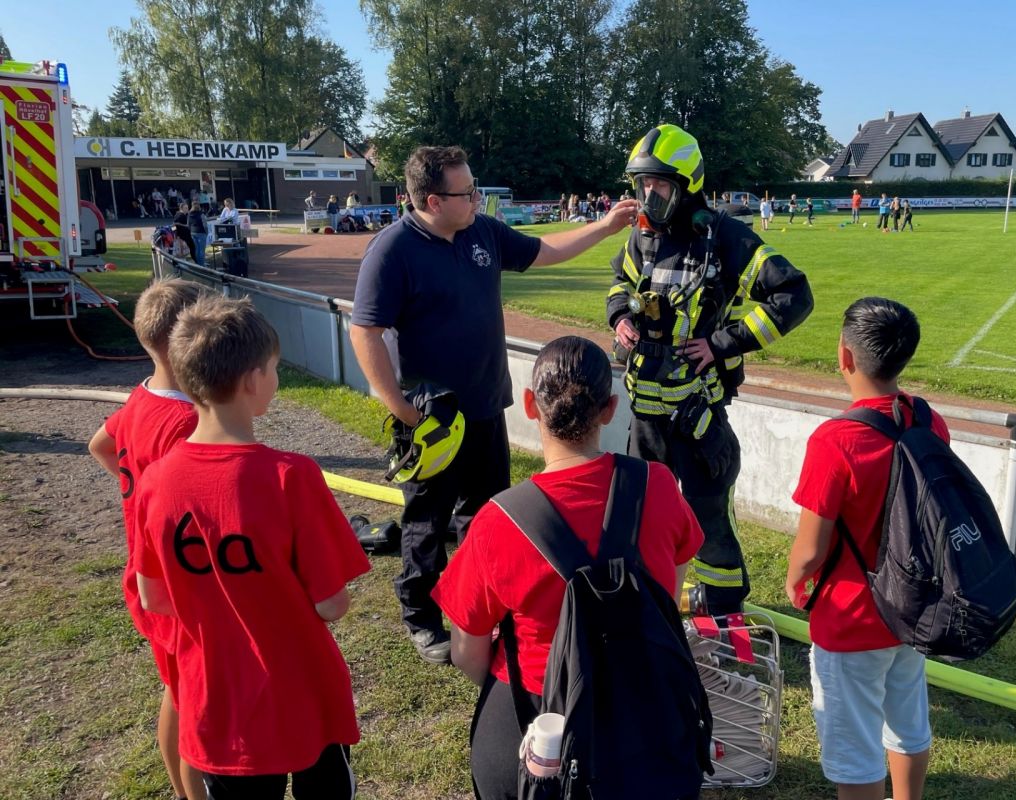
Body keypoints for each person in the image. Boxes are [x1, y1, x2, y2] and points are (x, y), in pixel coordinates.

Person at [349, 145, 638, 663]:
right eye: (468, 191)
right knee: (426, 522)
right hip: (432, 421)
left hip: (485, 407)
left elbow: (544, 250)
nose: (478, 198)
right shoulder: (392, 250)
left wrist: (605, 227)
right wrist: (400, 408)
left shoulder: (481, 232)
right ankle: (419, 614)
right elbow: (365, 329)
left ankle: (484, 607)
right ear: (433, 201)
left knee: (487, 517)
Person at [433, 335, 705, 800]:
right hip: (648, 714)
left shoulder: (498, 520)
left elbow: (466, 652)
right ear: (610, 408)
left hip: (539, 727)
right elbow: (664, 600)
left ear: (528, 405)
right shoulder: (659, 486)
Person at [133, 295, 370, 799]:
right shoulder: (291, 476)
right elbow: (332, 603)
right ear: (250, 381)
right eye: (275, 369)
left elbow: (153, 598)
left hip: (216, 705)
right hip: (302, 698)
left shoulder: (156, 483)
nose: (277, 379)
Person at [609, 123, 815, 616]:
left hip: (696, 416)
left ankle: (722, 606)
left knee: (707, 515)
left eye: (659, 184)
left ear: (687, 184)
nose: (648, 195)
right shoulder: (643, 238)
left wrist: (724, 342)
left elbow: (795, 295)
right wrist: (619, 318)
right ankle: (651, 597)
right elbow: (619, 281)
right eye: (642, 185)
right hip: (644, 415)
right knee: (645, 514)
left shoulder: (723, 238)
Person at [784, 297, 941, 800]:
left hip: (851, 618)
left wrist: (794, 579)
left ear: (844, 357)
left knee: (854, 755)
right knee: (908, 722)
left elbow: (811, 548)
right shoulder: (928, 421)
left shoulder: (836, 440)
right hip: (913, 608)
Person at [88, 279, 210, 800]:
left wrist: (135, 491)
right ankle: (193, 791)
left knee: (176, 689)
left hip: (145, 574)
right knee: (190, 699)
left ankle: (183, 791)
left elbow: (100, 443)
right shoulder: (186, 421)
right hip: (172, 584)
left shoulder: (140, 399)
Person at [187, 202, 209, 267]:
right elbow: (205, 225)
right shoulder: (201, 214)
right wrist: (206, 232)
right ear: (199, 206)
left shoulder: (189, 214)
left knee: (196, 250)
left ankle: (198, 264)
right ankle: (202, 265)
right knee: (201, 250)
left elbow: (188, 224)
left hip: (193, 232)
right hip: (201, 232)